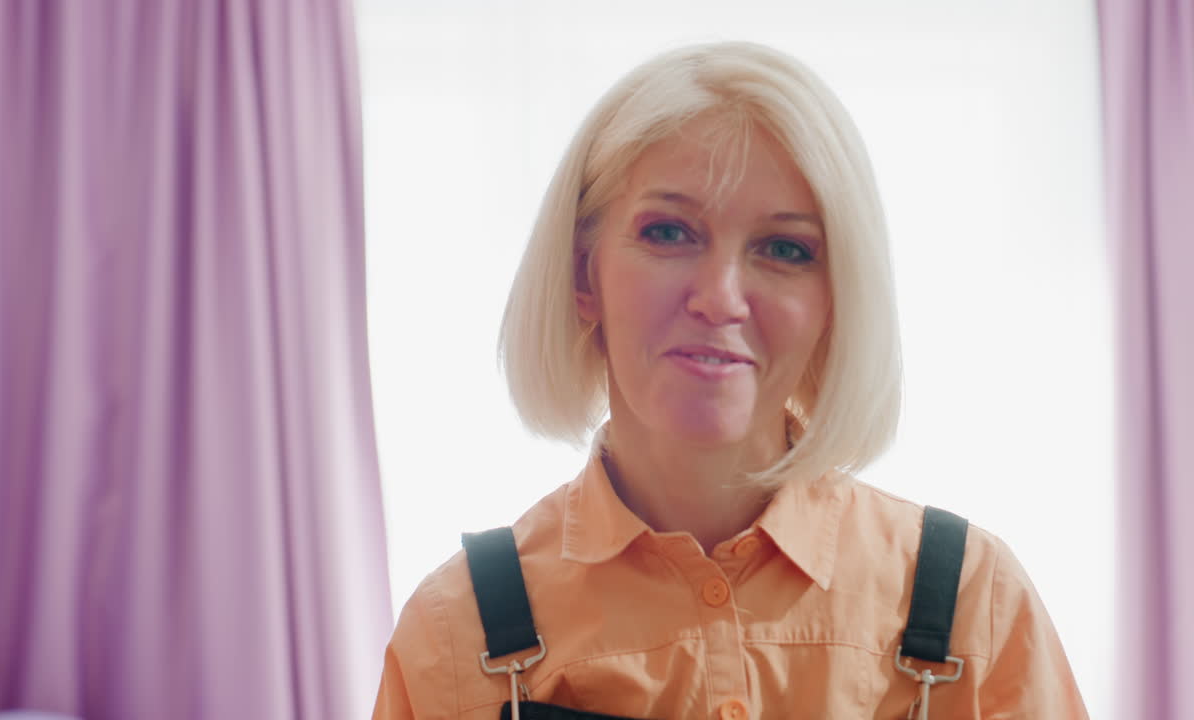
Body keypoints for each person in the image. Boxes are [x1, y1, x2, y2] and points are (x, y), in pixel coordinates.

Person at [372, 41, 1087, 719]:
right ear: (581, 273)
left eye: (783, 248)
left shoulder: (974, 603)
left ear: (837, 302)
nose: (719, 297)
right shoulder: (452, 632)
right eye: (668, 233)